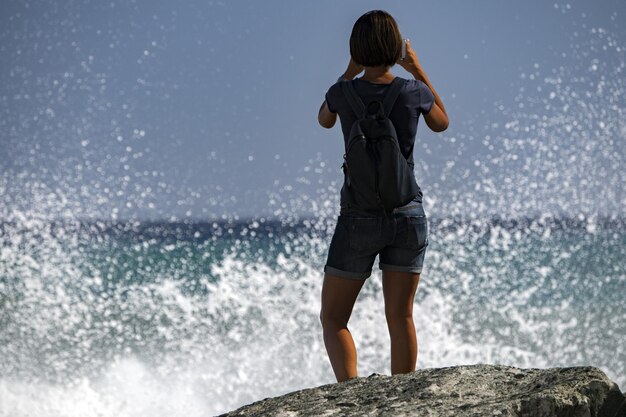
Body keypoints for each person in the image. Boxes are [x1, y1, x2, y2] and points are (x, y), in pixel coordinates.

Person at [317, 10, 449, 383]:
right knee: (401, 316)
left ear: (356, 50)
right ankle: (401, 399)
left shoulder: (342, 93)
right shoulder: (412, 91)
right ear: (396, 48)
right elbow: (442, 122)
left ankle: (351, 395)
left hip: (357, 217)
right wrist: (418, 69)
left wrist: (348, 72)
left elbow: (324, 119)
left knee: (334, 319)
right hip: (407, 214)